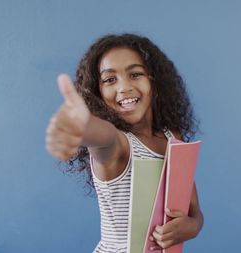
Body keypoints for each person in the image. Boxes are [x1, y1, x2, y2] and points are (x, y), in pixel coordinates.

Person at [45, 33, 203, 253]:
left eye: (135, 74)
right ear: (97, 93)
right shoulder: (118, 146)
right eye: (110, 79)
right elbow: (103, 136)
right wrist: (80, 125)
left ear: (154, 80)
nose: (124, 87)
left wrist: (193, 226)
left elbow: (194, 211)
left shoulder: (172, 138)